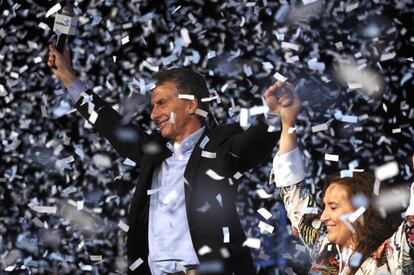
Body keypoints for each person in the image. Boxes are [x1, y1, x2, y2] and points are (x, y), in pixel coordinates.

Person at [47, 44, 294, 275]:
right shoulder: (152, 152)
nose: (154, 114)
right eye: (153, 106)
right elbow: (109, 124)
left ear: (190, 105)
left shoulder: (220, 144)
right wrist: (68, 77)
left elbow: (251, 146)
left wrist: (273, 116)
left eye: (162, 103)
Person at [271, 85, 414, 274]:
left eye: (333, 207)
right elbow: (292, 190)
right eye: (325, 207)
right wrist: (288, 123)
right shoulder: (324, 248)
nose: (323, 216)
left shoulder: (388, 262)